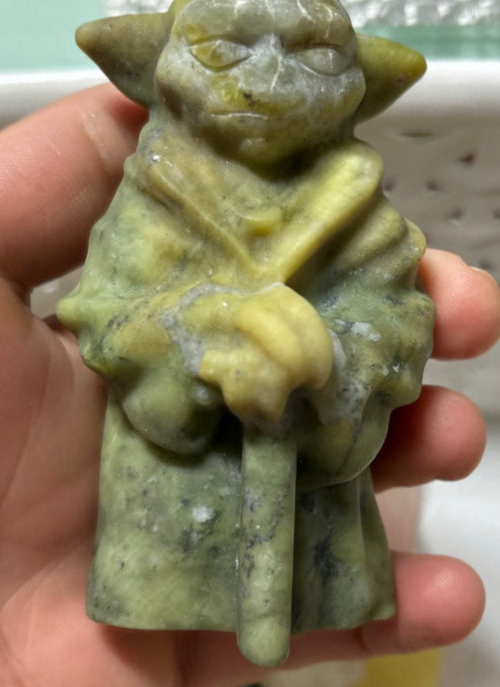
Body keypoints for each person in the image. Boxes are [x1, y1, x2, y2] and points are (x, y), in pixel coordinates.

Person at [0, 83, 498, 687]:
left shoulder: (357, 199)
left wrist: (328, 364)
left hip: (316, 506)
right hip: (166, 507)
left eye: (311, 56)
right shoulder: (152, 191)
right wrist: (200, 336)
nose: (267, 78)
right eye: (222, 55)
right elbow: (104, 313)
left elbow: (398, 315)